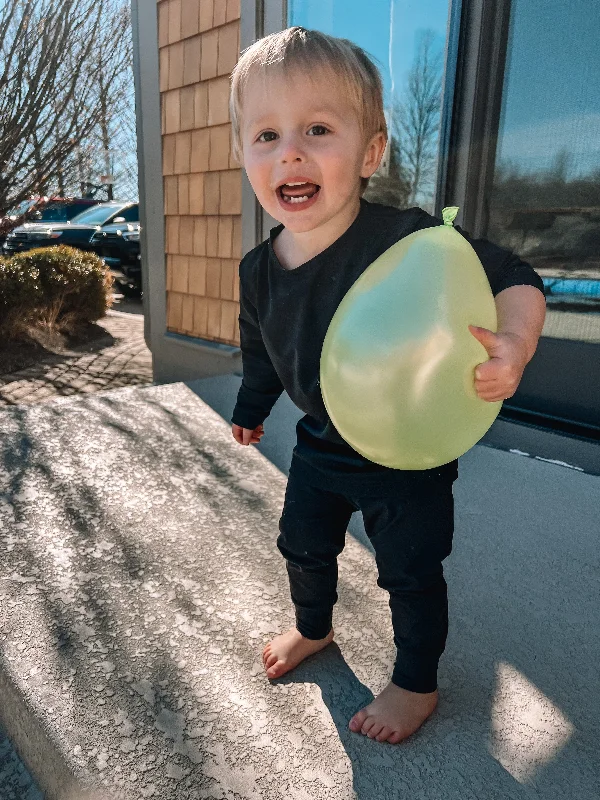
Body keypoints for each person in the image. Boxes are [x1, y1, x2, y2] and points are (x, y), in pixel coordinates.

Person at [228, 27, 546, 744]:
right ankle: (313, 627)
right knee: (301, 542)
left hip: (407, 450)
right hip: (322, 440)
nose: (291, 152)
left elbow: (514, 277)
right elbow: (262, 348)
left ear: (370, 153)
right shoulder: (257, 269)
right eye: (267, 134)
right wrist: (253, 407)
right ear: (246, 154)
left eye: (317, 129)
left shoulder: (404, 237)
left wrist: (515, 342)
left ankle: (415, 682)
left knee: (409, 568)